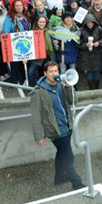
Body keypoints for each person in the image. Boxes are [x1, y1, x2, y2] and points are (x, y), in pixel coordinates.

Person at [30, 61, 84, 190]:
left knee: (62, 153)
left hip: (67, 126)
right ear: (45, 73)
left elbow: (73, 101)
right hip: (54, 130)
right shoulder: (38, 92)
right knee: (68, 157)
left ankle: (59, 178)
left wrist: (68, 87)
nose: (54, 74)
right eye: (51, 71)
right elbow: (35, 116)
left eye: (56, 71)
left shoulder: (61, 85)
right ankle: (77, 183)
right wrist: (39, 136)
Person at [79, 14, 102, 90]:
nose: (90, 24)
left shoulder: (99, 29)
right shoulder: (81, 31)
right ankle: (91, 90)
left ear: (94, 22)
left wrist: (99, 43)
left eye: (91, 22)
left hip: (97, 55)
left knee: (97, 76)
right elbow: (78, 43)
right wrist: (85, 45)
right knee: (89, 76)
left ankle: (96, 90)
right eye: (88, 23)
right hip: (86, 56)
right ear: (85, 23)